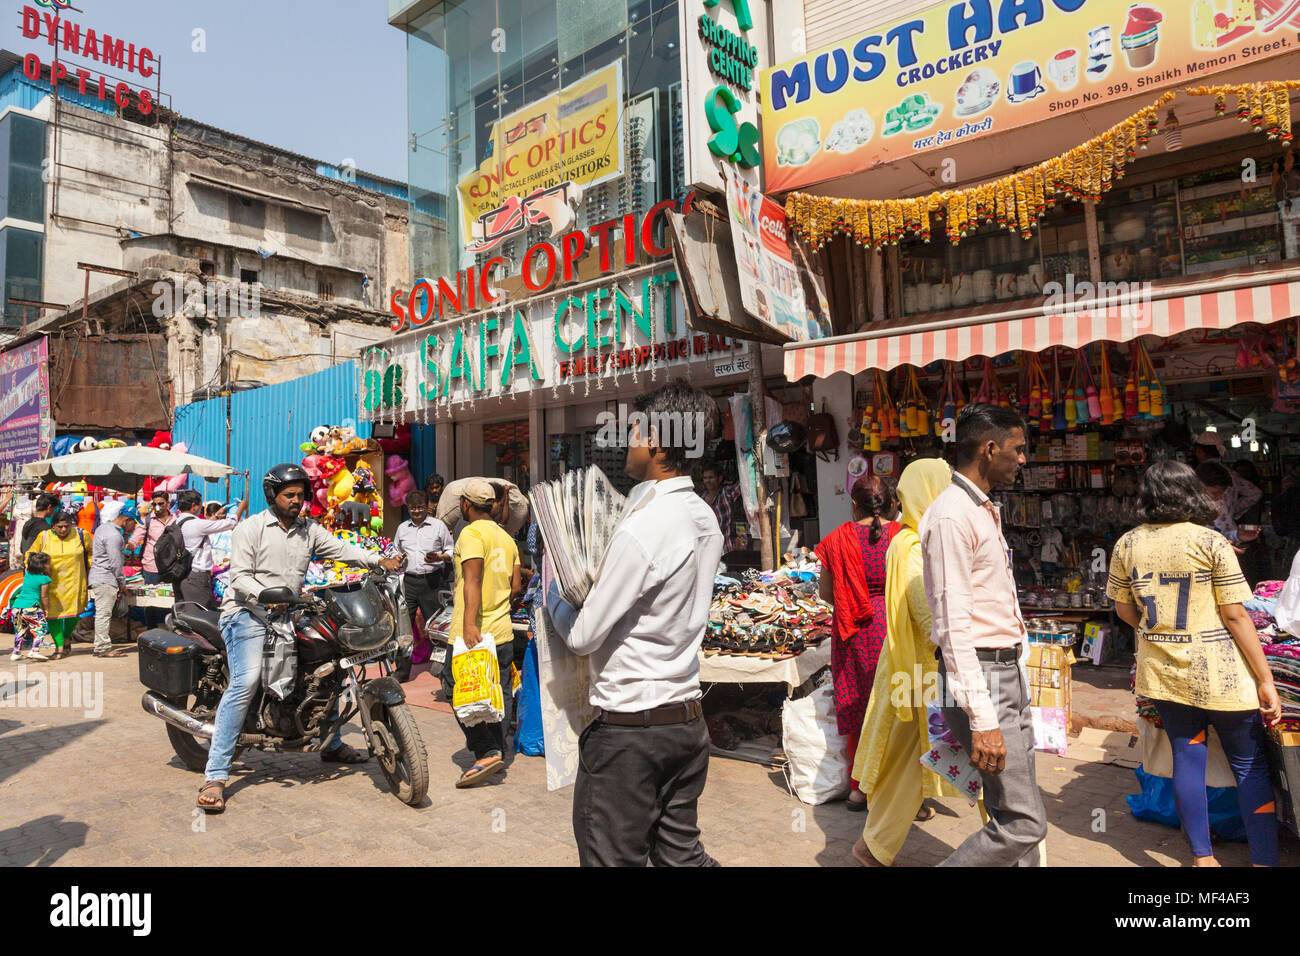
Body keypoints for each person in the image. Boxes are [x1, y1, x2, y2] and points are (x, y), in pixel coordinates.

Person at [547, 379, 724, 867]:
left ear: (661, 442)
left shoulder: (647, 523)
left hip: (631, 736)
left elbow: (583, 636)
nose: (626, 440)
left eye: (636, 430)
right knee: (680, 858)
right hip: (685, 723)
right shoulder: (703, 515)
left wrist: (552, 598)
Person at [197, 464, 404, 812]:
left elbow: (341, 549)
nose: (297, 502)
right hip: (247, 613)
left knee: (330, 661)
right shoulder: (251, 528)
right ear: (272, 496)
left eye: (301, 496)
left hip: (288, 612)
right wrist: (267, 595)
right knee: (246, 681)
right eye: (289, 495)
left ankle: (331, 742)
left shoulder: (309, 530)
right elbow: (240, 578)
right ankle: (216, 774)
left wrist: (379, 560)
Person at [1107, 460, 1281, 867]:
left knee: (1188, 757)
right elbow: (1237, 615)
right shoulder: (1210, 541)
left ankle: (1203, 860)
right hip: (1221, 672)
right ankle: (1264, 860)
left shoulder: (1127, 544)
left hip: (1164, 673)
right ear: (1192, 493)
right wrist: (1266, 678)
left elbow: (1122, 609)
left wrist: (1154, 631)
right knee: (1249, 765)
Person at [923, 404, 1045, 867]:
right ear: (989, 449)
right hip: (985, 679)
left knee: (1013, 810)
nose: (1022, 459)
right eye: (1018, 449)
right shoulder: (953, 515)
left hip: (1003, 671)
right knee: (1024, 822)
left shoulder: (978, 508)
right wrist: (982, 717)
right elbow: (954, 628)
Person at [850, 458, 957, 865]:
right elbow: (928, 618)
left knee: (908, 770)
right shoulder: (913, 545)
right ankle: (871, 848)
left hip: (920, 674)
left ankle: (872, 848)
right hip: (921, 676)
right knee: (910, 770)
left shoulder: (923, 539)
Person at [815, 474, 900, 811]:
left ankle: (858, 788)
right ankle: (905, 794)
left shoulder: (835, 540)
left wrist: (853, 598)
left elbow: (825, 593)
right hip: (894, 627)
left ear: (854, 504)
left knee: (856, 704)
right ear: (891, 503)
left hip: (853, 629)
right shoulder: (902, 537)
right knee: (896, 706)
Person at [442, 479, 522, 788]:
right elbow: (516, 587)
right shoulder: (506, 537)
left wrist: (470, 623)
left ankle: (485, 748)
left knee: (454, 687)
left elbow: (472, 579)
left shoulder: (471, 534)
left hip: (472, 630)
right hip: (501, 629)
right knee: (499, 691)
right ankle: (499, 750)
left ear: (465, 504)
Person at [26, 511, 92, 659]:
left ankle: (67, 636)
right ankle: (59, 646)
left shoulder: (81, 534)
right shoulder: (44, 537)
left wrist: (90, 569)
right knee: (52, 615)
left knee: (73, 614)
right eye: (59, 527)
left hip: (75, 581)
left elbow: (91, 553)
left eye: (66, 526)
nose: (63, 530)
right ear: (53, 526)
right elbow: (30, 554)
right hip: (51, 584)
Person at [392, 490, 454, 637]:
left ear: (427, 507)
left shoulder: (438, 526)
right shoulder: (402, 528)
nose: (416, 511)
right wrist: (397, 557)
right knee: (404, 627)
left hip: (431, 582)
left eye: (420, 507)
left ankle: (437, 659)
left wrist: (439, 558)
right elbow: (395, 550)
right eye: (413, 507)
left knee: (434, 625)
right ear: (408, 508)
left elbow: (451, 550)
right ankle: (403, 660)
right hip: (409, 583)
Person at [175, 489, 247, 608]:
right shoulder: (197, 524)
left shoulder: (178, 522)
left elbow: (205, 524)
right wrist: (241, 508)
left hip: (181, 574)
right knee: (198, 613)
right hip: (196, 577)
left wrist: (219, 514)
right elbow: (231, 523)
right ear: (194, 506)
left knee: (183, 611)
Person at [87, 499, 139, 659]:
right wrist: (122, 583)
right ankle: (102, 647)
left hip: (98, 576)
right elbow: (116, 563)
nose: (135, 527)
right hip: (106, 578)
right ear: (126, 520)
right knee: (104, 613)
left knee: (103, 613)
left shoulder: (104, 528)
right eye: (134, 523)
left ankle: (102, 645)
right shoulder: (114, 535)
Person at [130, 489, 175, 628]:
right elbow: (136, 538)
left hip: (172, 566)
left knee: (170, 601)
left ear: (168, 503)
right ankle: (152, 630)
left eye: (161, 503)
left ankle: (169, 628)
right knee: (151, 602)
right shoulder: (147, 520)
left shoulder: (176, 520)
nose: (157, 507)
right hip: (151, 566)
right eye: (155, 504)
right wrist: (130, 545)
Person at [7, 551, 53, 662]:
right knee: (40, 628)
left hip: (17, 607)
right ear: (42, 566)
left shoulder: (27, 573)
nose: (50, 565)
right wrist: (46, 608)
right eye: (48, 563)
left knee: (20, 630)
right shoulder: (44, 579)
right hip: (31, 607)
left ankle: (16, 653)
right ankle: (34, 651)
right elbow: (44, 596)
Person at [699, 464, 748, 551]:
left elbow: (745, 481)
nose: (707, 481)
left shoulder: (727, 493)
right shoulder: (700, 498)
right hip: (707, 550)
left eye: (711, 477)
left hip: (727, 548)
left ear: (720, 479)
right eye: (705, 478)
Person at [18, 492, 59, 556]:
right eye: (54, 509)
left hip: (26, 561)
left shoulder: (28, 523)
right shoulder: (45, 528)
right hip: (37, 564)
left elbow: (22, 548)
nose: (53, 512)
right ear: (49, 507)